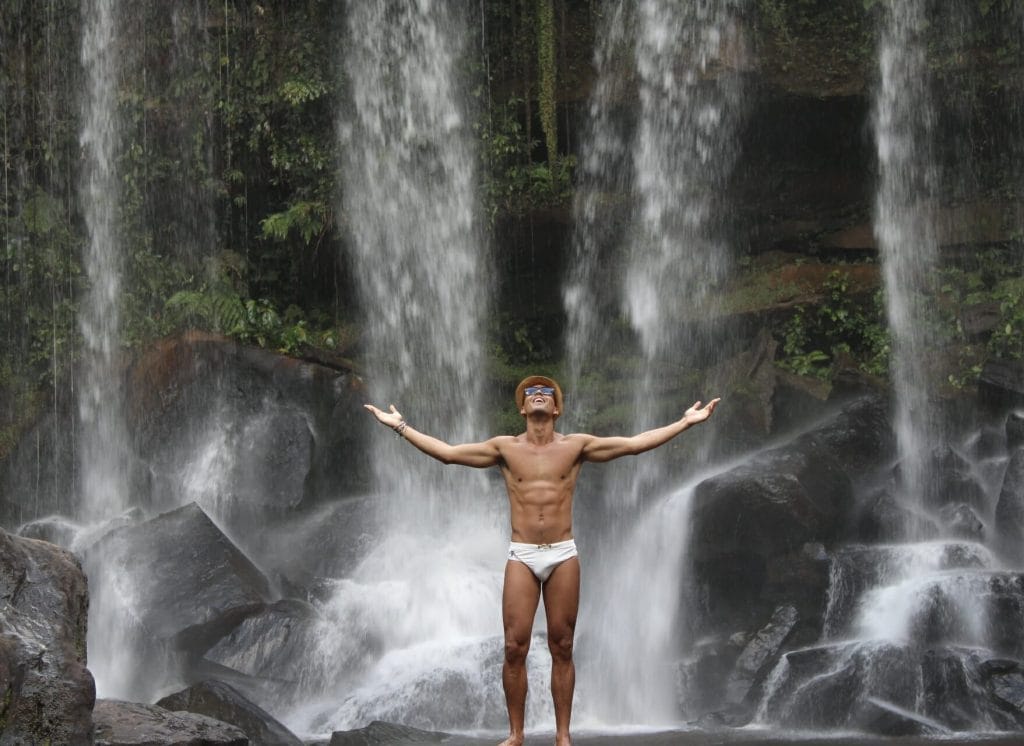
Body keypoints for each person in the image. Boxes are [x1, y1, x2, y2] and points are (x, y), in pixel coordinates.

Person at [364, 375, 719, 746]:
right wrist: (401, 427)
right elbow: (450, 455)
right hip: (522, 554)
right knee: (513, 647)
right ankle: (516, 734)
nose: (537, 395)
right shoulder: (503, 448)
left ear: (556, 408)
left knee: (562, 645)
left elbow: (632, 445)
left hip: (563, 553)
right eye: (530, 393)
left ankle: (562, 736)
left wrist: (684, 423)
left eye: (545, 392)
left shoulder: (577, 446)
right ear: (522, 408)